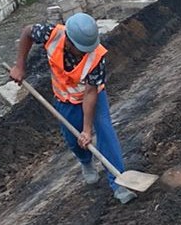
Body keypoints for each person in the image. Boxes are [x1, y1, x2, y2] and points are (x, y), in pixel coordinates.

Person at [9, 13, 136, 204]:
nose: (85, 52)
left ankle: (118, 183)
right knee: (73, 138)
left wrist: (87, 130)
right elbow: (27, 32)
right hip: (64, 98)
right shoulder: (51, 34)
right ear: (69, 40)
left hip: (92, 95)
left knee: (105, 131)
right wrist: (20, 66)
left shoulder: (96, 56)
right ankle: (86, 162)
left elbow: (90, 93)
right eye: (80, 49)